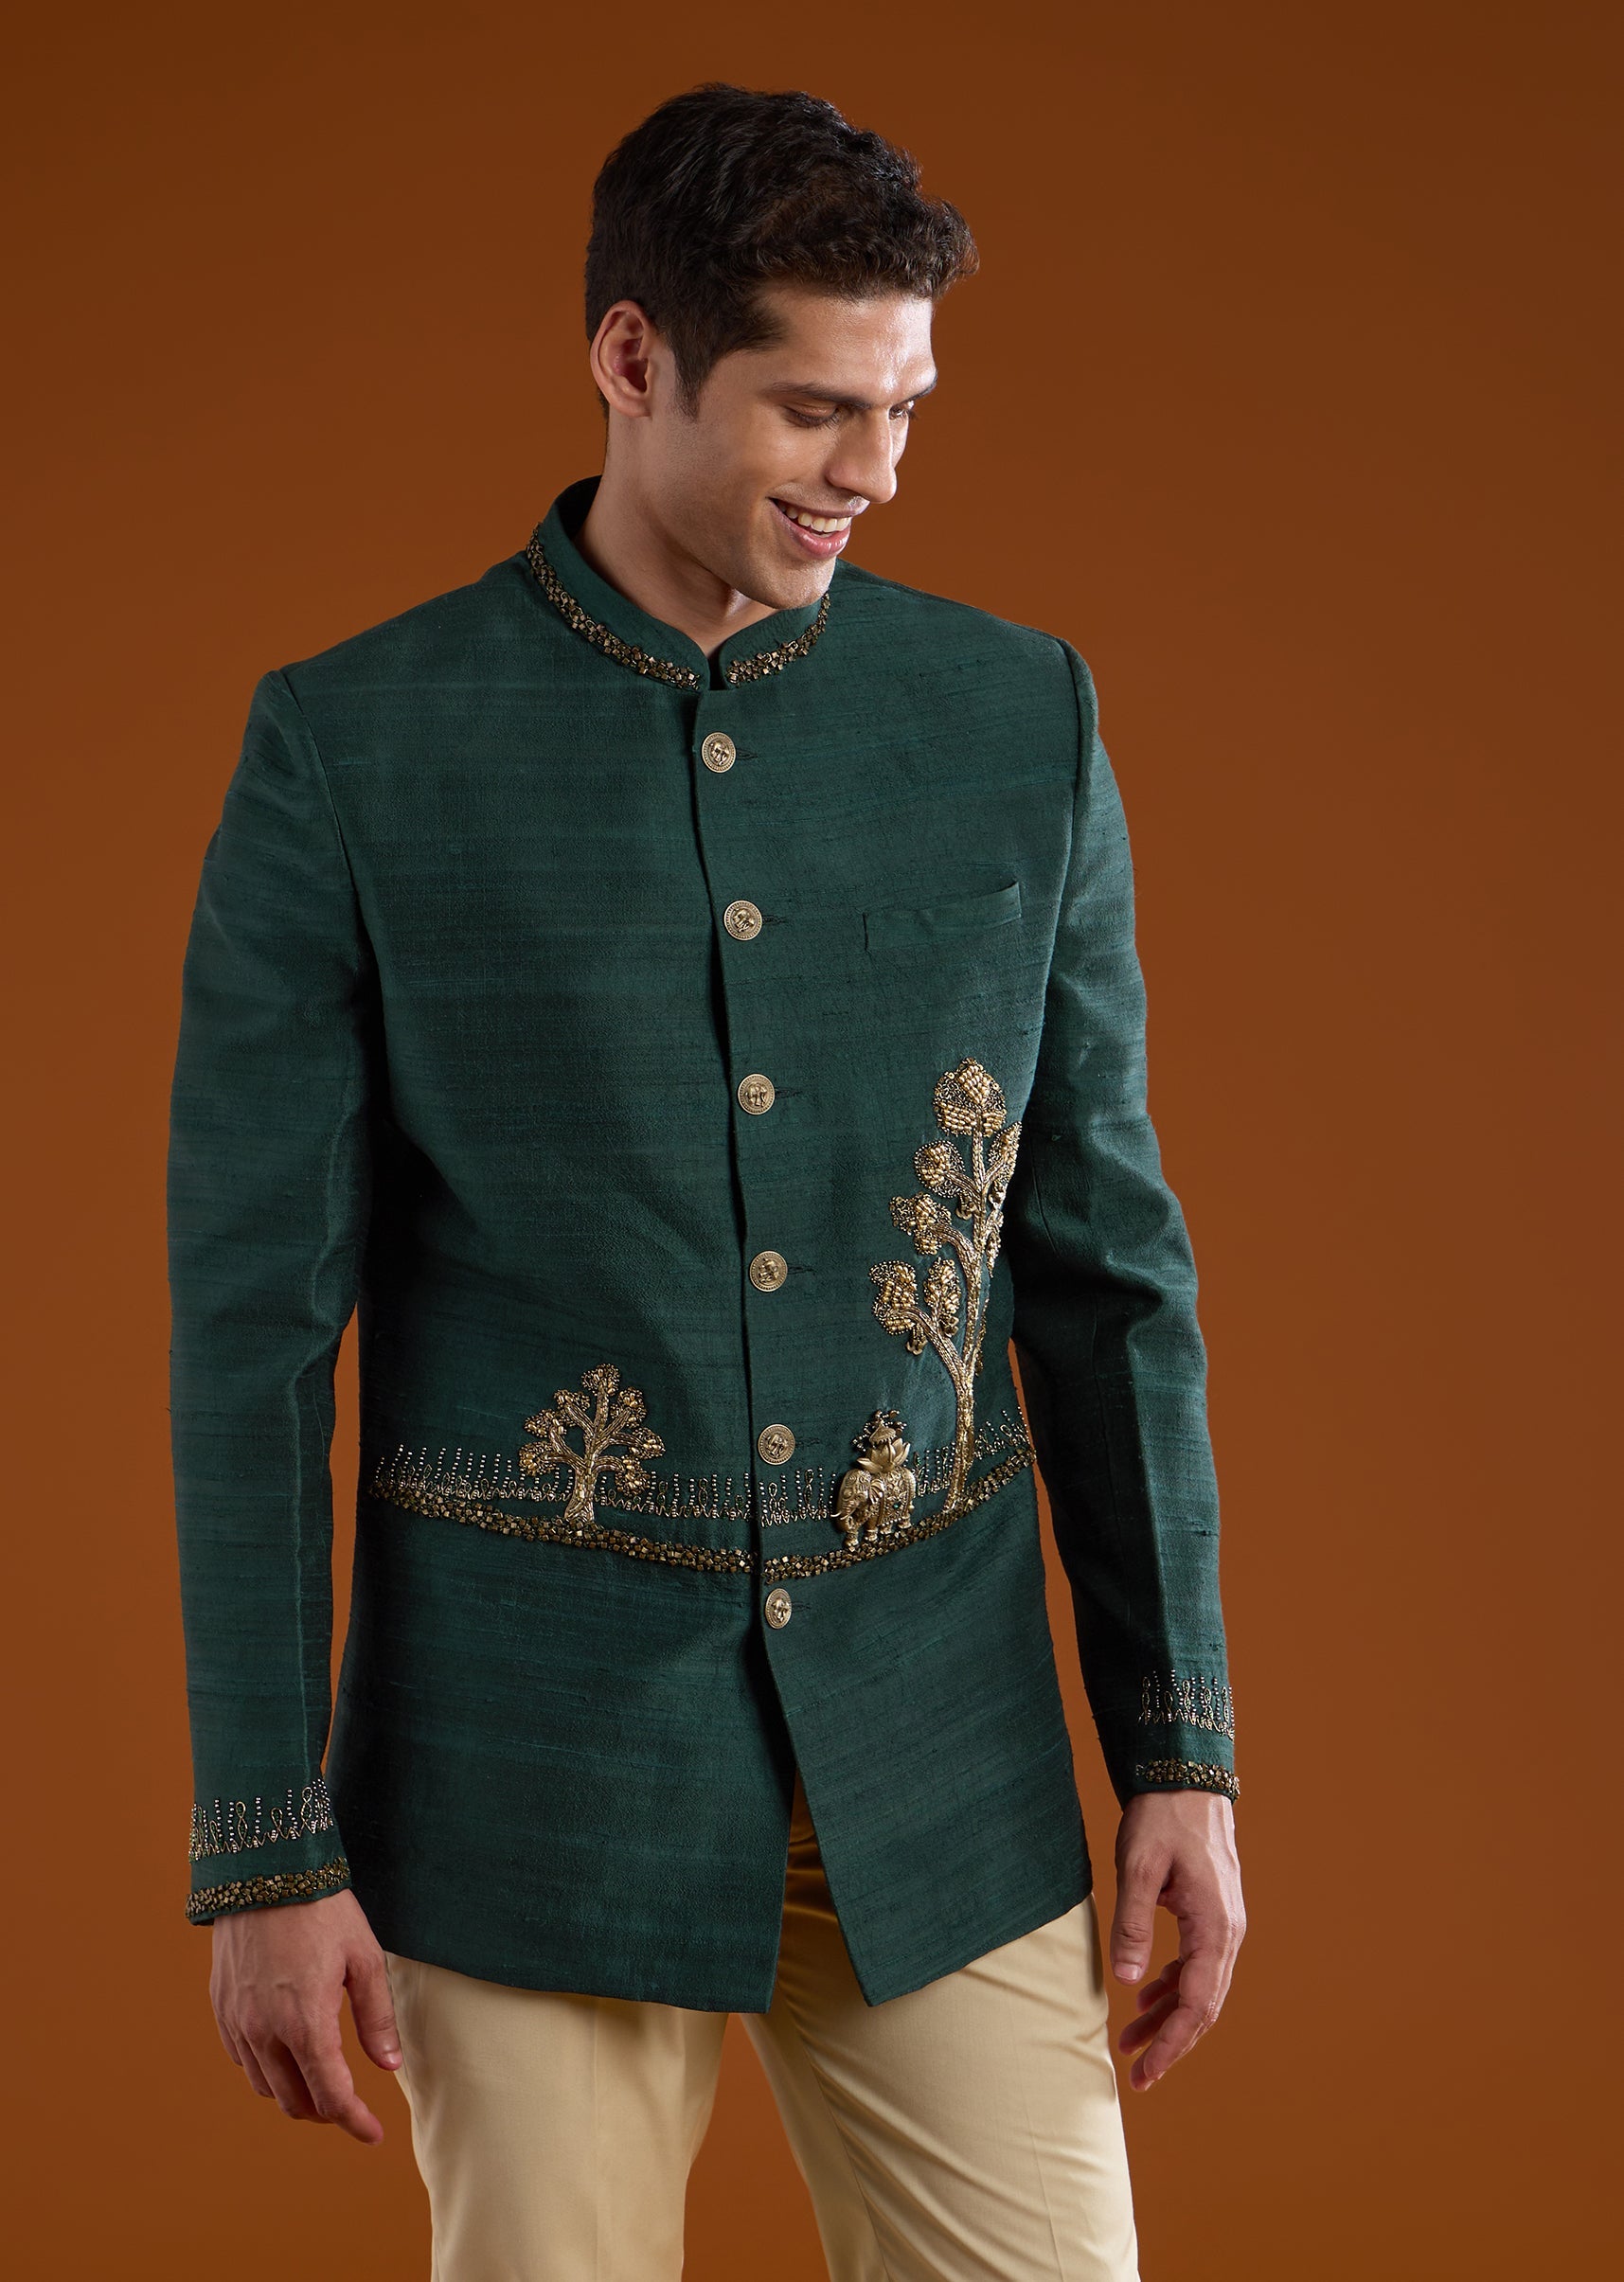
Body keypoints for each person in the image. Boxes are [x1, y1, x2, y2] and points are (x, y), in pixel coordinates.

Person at [168, 80, 1245, 2282]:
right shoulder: (356, 747)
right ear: (631, 356)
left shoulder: (1015, 719)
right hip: (530, 1760)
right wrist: (267, 1846)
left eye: (906, 406)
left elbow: (1108, 1267)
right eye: (816, 407)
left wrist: (1182, 1743)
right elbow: (256, 1333)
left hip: (937, 1741)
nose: (874, 467)